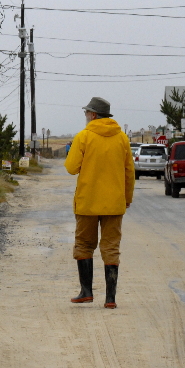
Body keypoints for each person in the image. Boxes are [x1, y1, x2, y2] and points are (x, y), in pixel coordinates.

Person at [65, 97, 135, 309]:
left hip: (88, 202)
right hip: (114, 203)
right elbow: (129, 173)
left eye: (87, 112)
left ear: (93, 115)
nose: (85, 116)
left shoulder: (84, 137)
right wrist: (127, 198)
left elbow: (71, 168)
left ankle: (86, 292)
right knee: (111, 247)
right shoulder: (122, 138)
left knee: (84, 244)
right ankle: (110, 298)